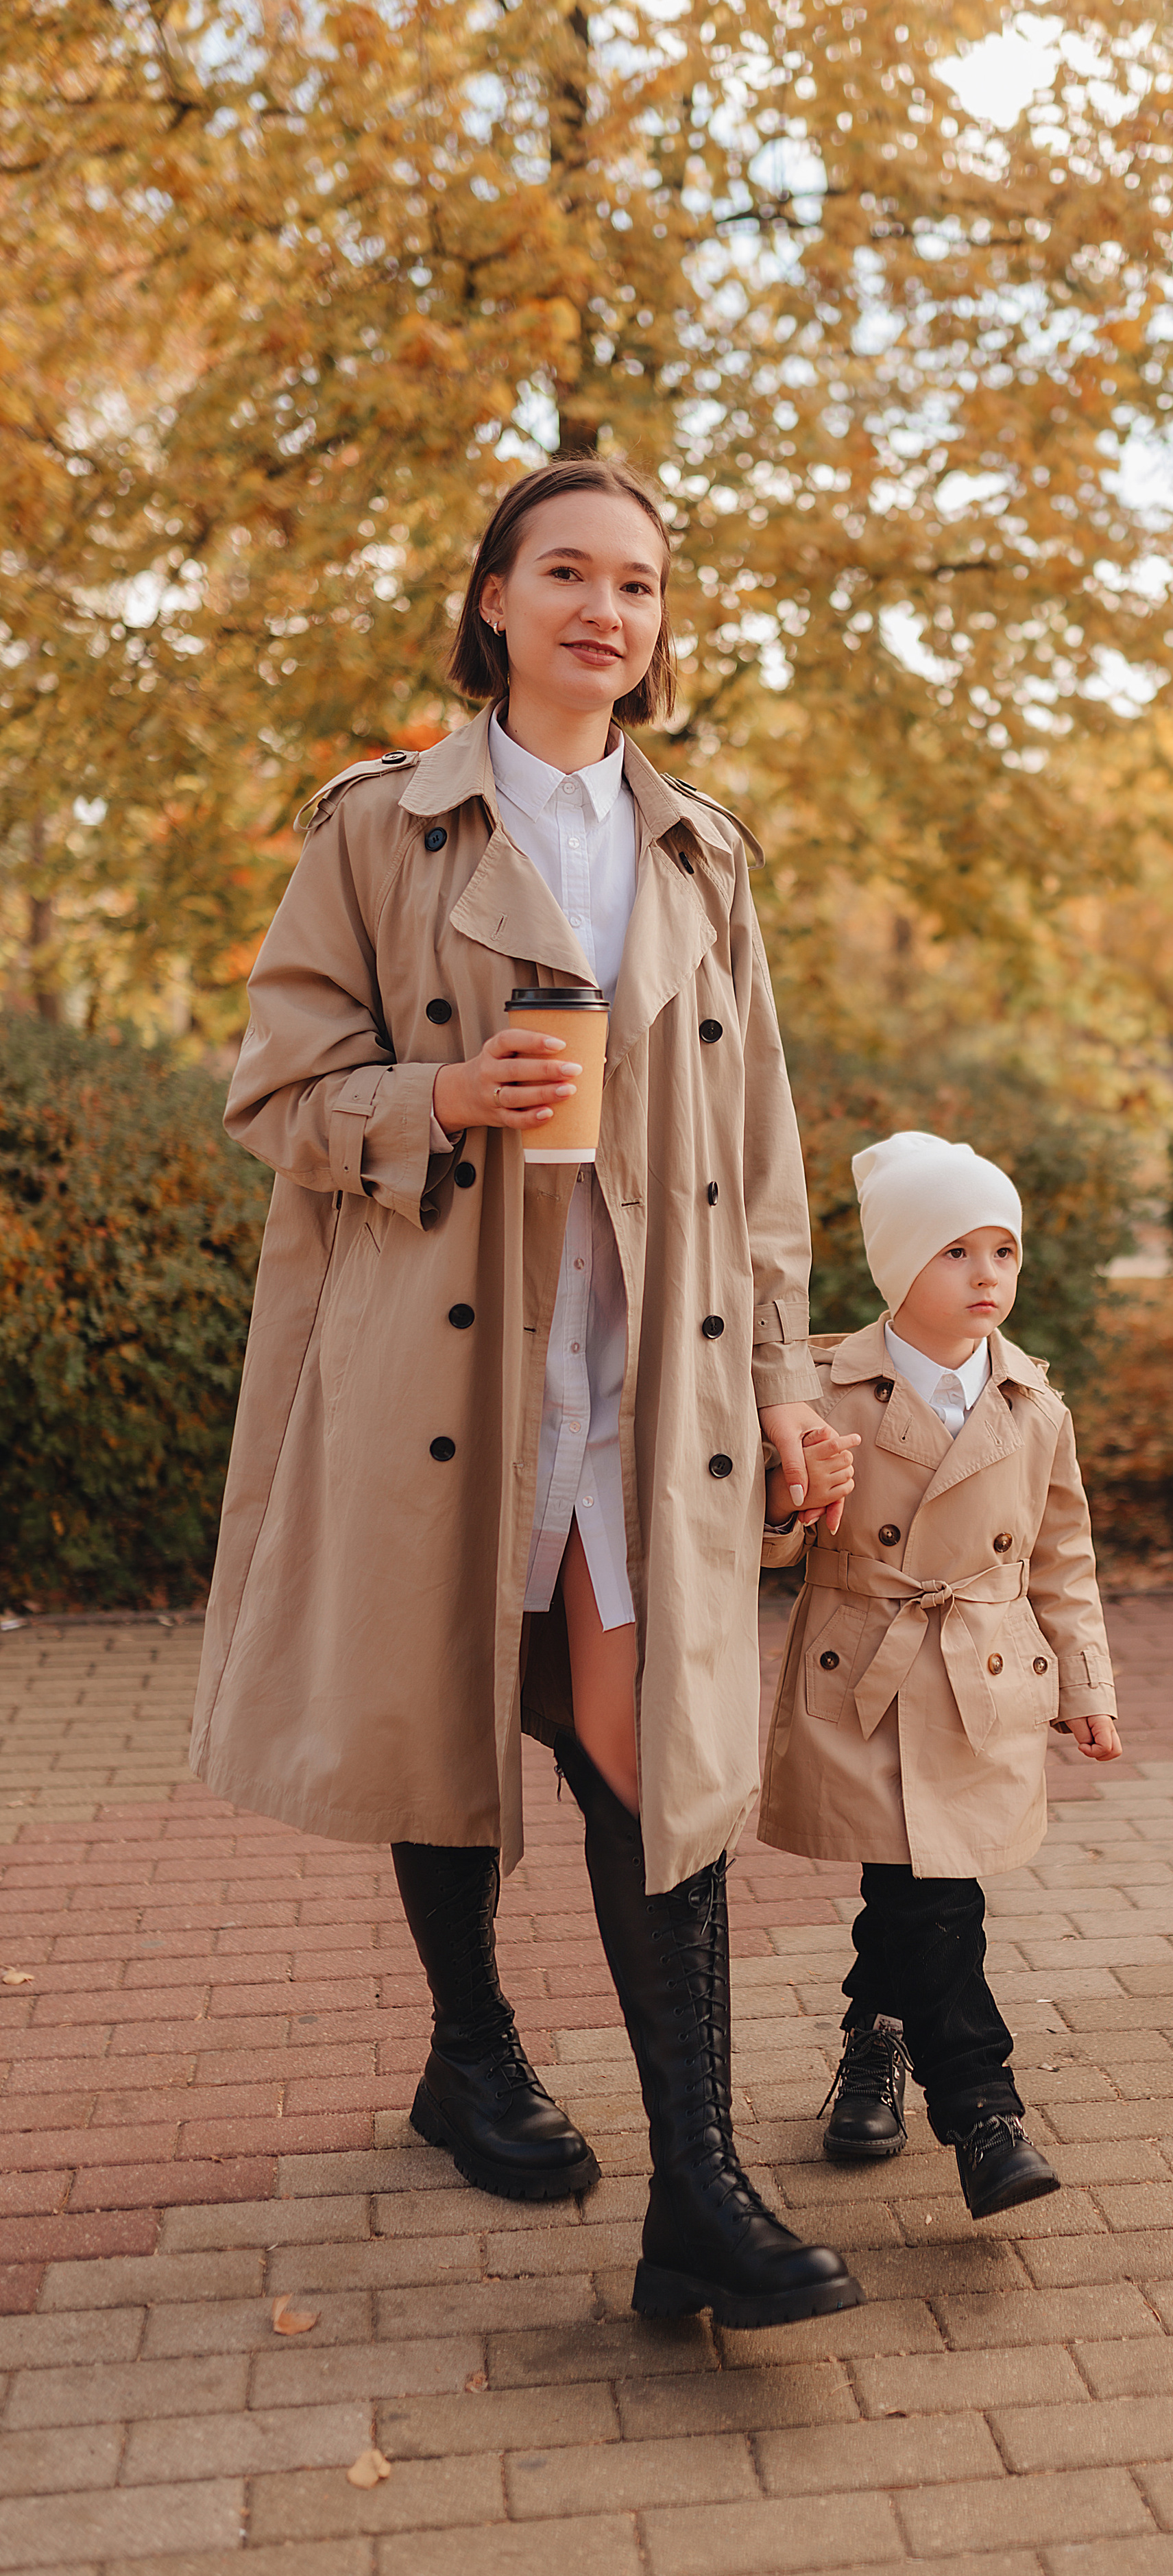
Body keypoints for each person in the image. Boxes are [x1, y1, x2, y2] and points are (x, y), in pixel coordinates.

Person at [191, 457, 863, 2329]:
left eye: (639, 584)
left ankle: (697, 2201)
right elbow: (276, 1093)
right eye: (566, 571)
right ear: (493, 599)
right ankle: (471, 2050)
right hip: (436, 1372)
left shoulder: (702, 848)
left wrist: (795, 1383)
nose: (605, 609)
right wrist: (438, 1101)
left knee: (652, 1767)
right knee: (444, 1711)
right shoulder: (380, 826)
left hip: (646, 1387)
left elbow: (765, 1152)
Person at [758, 1129, 1123, 2217]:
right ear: (896, 1268)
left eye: (1003, 1251)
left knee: (920, 1887)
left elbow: (1063, 1555)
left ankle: (876, 2046)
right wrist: (793, 1492)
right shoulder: (820, 1387)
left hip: (984, 1672)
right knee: (926, 1890)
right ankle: (982, 2107)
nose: (987, 1276)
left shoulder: (1032, 1403)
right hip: (860, 1664)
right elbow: (763, 1545)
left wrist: (1087, 1688)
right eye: (955, 1251)